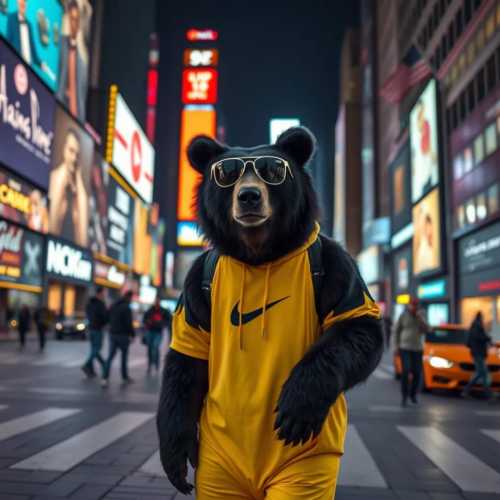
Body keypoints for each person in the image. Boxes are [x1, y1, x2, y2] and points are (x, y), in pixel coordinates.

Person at [48, 128, 89, 247]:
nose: (74, 158)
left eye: (77, 154)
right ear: (64, 149)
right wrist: (60, 186)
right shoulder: (53, 178)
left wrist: (79, 189)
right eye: (71, 151)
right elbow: (50, 230)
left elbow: (83, 242)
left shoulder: (80, 193)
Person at [393, 297, 431, 407]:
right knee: (406, 370)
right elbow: (396, 331)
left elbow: (427, 329)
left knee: (417, 373)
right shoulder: (403, 316)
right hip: (405, 347)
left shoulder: (422, 315)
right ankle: (404, 395)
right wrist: (395, 347)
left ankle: (413, 395)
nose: (414, 307)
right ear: (409, 305)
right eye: (412, 305)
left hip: (418, 348)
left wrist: (419, 318)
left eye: (416, 305)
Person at [56, 0, 87, 121]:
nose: (73, 23)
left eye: (76, 20)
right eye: (71, 18)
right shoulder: (60, 43)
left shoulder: (82, 63)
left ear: (79, 25)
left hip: (76, 118)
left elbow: (82, 95)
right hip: (58, 105)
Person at [102, 291, 135, 387]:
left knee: (110, 356)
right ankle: (124, 377)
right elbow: (129, 322)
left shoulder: (113, 305)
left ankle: (105, 378)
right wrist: (132, 334)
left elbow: (106, 317)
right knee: (124, 356)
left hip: (112, 333)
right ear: (129, 297)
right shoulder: (126, 307)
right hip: (123, 335)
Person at [462, 312, 496, 403]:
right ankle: (489, 396)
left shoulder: (475, 326)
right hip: (478, 353)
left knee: (479, 373)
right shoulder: (477, 326)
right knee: (483, 374)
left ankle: (467, 391)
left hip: (478, 353)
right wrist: (487, 338)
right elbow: (479, 338)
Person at [5, 0, 47, 73]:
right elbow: (8, 43)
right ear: (17, 1)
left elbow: (33, 52)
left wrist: (41, 63)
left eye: (24, 1)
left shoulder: (29, 26)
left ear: (26, 4)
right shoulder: (11, 18)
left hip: (28, 70)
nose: (22, 3)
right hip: (15, 66)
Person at [82, 287, 108, 378]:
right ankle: (88, 364)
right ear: (101, 292)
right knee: (96, 349)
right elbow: (104, 316)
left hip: (91, 328)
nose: (105, 294)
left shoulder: (90, 302)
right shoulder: (100, 303)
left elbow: (87, 314)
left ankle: (93, 369)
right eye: (104, 292)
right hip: (98, 329)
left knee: (93, 349)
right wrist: (103, 324)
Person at [143, 296, 172, 373]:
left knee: (155, 347)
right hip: (150, 331)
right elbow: (144, 319)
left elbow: (169, 320)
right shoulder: (150, 310)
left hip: (158, 332)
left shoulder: (163, 311)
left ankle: (156, 364)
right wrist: (148, 322)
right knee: (150, 348)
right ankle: (149, 365)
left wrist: (162, 323)